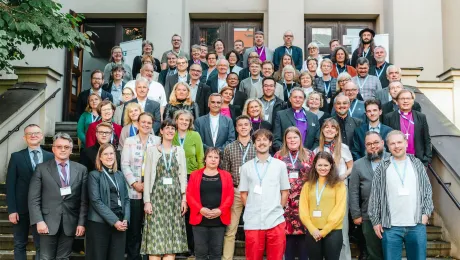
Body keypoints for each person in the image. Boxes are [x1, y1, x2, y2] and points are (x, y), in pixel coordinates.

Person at [368, 130, 434, 260]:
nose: (396, 146)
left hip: (416, 224)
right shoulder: (383, 166)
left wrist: (426, 214)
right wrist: (375, 221)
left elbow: (427, 190)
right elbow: (375, 195)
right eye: (392, 143)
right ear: (387, 146)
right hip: (391, 227)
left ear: (406, 143)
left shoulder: (417, 164)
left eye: (399, 142)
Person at [28, 132, 88, 260]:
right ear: (53, 149)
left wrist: (81, 223)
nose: (63, 149)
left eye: (66, 147)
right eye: (59, 146)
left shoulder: (81, 170)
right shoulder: (41, 169)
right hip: (47, 222)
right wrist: (39, 221)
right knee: (45, 257)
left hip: (70, 222)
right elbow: (33, 199)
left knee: (63, 258)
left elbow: (84, 200)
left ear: (71, 150)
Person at [239, 129, 291, 260]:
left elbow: (285, 192)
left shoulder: (280, 166)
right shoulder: (246, 167)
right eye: (258, 140)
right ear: (254, 144)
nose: (261, 143)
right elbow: (244, 193)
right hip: (253, 222)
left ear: (270, 143)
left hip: (275, 221)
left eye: (265, 140)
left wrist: (277, 208)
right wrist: (253, 208)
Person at [142, 119, 189, 258]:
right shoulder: (151, 151)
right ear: (161, 131)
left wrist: (184, 199)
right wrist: (147, 201)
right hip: (156, 199)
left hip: (174, 200)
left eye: (173, 129)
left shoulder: (179, 151)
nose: (170, 131)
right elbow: (148, 176)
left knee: (171, 241)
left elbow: (183, 177)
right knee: (155, 242)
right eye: (167, 128)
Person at [7, 124, 53, 260]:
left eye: (36, 133)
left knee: (41, 245)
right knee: (20, 244)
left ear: (41, 135)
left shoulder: (50, 157)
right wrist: (12, 210)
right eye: (29, 133)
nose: (33, 135)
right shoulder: (16, 157)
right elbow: (10, 185)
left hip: (42, 209)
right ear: (24, 137)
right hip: (21, 209)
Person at [121, 112, 160, 260]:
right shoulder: (130, 141)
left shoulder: (157, 141)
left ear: (152, 125)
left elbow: (160, 166)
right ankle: (134, 256)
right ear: (137, 123)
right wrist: (135, 183)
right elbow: (124, 164)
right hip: (134, 190)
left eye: (149, 123)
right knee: (135, 227)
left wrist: (149, 184)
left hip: (152, 190)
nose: (146, 125)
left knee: (151, 227)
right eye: (143, 122)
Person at [314, 118, 353, 259]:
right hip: (322, 192)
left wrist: (342, 176)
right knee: (323, 222)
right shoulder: (317, 149)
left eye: (333, 128)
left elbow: (351, 166)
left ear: (337, 132)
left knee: (341, 226)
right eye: (326, 127)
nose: (329, 130)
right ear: (322, 130)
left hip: (339, 189)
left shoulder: (343, 148)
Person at [273, 127, 315, 260]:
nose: (292, 140)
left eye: (295, 137)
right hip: (284, 202)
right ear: (285, 139)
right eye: (289, 137)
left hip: (304, 201)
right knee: (287, 240)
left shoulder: (309, 155)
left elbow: (315, 176)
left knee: (304, 242)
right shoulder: (278, 155)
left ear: (300, 138)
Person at [186, 147, 234, 260]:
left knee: (216, 253)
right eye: (210, 157)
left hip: (219, 219)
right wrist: (200, 209)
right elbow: (190, 195)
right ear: (205, 159)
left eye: (216, 157)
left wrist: (220, 210)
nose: (213, 159)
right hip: (199, 219)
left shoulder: (226, 175)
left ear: (219, 160)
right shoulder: (194, 175)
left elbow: (230, 196)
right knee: (200, 253)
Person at [299, 151, 347, 260]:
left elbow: (339, 210)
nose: (323, 168)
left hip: (332, 232)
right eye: (320, 165)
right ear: (315, 165)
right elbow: (303, 210)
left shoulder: (338, 185)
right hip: (313, 231)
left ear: (331, 165)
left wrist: (324, 231)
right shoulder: (307, 185)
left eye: (326, 165)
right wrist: (313, 230)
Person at [349, 131, 389, 260]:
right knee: (373, 253)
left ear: (382, 143)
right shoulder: (358, 165)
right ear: (365, 147)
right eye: (369, 144)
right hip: (368, 216)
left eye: (376, 142)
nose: (373, 146)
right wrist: (356, 214)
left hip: (393, 215)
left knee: (391, 252)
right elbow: (353, 191)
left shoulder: (393, 159)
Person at [86, 143, 130, 260]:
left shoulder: (119, 174)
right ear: (100, 157)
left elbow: (125, 198)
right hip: (100, 224)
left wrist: (125, 218)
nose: (109, 156)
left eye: (111, 153)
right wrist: (114, 221)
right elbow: (96, 201)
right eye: (105, 154)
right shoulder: (94, 175)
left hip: (120, 223)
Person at [221, 115, 256, 260]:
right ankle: (226, 258)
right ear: (236, 128)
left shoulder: (257, 146)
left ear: (250, 127)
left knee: (253, 229)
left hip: (254, 192)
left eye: (246, 125)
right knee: (230, 230)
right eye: (240, 125)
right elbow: (225, 173)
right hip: (235, 191)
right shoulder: (229, 148)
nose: (243, 127)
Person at [173, 110, 205, 255]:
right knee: (176, 211)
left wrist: (200, 178)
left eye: (187, 120)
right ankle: (177, 246)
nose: (184, 122)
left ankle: (190, 247)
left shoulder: (195, 135)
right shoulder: (170, 134)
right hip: (173, 177)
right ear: (176, 120)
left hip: (192, 176)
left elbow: (200, 157)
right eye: (181, 119)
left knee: (190, 212)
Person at [383, 89, 432, 166]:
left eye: (408, 98)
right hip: (396, 160)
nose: (405, 101)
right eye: (402, 99)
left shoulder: (421, 117)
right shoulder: (389, 117)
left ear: (413, 101)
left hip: (418, 160)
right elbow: (386, 140)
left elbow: (426, 138)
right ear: (396, 101)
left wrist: (427, 158)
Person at [274, 87, 320, 151]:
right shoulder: (281, 115)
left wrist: (310, 153)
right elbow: (276, 140)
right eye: (295, 97)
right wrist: (285, 153)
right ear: (290, 99)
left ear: (304, 100)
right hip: (286, 156)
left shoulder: (313, 117)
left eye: (300, 97)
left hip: (308, 156)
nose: (297, 100)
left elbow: (317, 140)